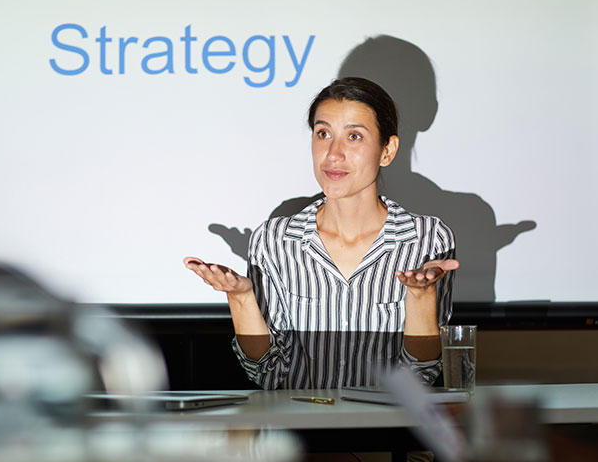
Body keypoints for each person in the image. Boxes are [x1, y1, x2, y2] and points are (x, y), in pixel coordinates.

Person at [184, 77, 458, 392]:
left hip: (387, 421)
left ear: (387, 150)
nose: (333, 154)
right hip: (299, 421)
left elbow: (421, 374)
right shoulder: (274, 240)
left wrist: (421, 295)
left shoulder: (427, 239)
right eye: (323, 133)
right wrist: (240, 297)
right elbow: (267, 373)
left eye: (354, 136)